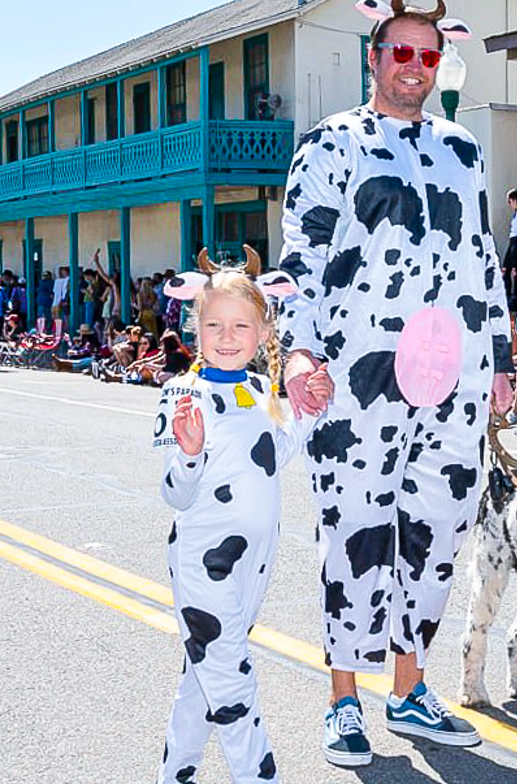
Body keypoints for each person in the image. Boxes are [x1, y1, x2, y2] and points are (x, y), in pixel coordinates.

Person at [276, 0, 512, 766]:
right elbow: (301, 260)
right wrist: (298, 352)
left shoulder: (463, 149)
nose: (414, 67)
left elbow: (483, 257)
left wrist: (501, 355)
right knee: (356, 532)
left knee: (436, 532)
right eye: (401, 52)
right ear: (372, 57)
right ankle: (344, 701)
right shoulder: (331, 145)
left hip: (454, 373)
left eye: (428, 56)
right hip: (357, 376)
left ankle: (410, 690)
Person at [152, 261, 332, 784]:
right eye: (214, 326)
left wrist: (313, 408)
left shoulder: (259, 387)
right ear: (196, 329)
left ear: (263, 331)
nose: (227, 337)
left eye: (240, 326)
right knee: (233, 684)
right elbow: (174, 493)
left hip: (255, 563)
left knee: (203, 682)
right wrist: (189, 454)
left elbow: (276, 452)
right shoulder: (180, 394)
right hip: (202, 563)